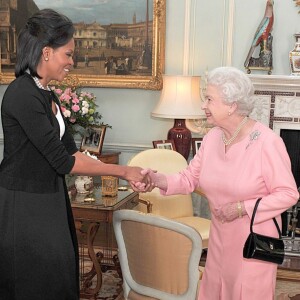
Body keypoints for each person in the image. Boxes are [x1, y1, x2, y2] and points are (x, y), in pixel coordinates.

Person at [0, 9, 149, 300]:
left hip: (49, 196)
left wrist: (125, 169)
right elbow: (64, 161)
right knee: (34, 281)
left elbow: (71, 150)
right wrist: (124, 171)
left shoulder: (46, 93)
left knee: (58, 273)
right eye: (67, 54)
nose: (72, 61)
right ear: (46, 52)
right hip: (24, 203)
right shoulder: (21, 94)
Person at [132, 67, 299, 299]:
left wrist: (242, 207)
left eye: (209, 99)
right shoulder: (212, 138)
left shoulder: (267, 143)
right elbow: (189, 178)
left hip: (253, 240)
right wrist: (155, 179)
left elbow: (288, 193)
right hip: (220, 239)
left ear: (231, 105)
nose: (203, 105)